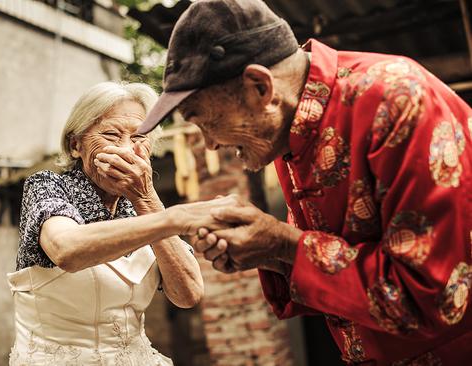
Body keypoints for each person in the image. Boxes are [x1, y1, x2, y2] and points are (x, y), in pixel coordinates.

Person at [137, 0, 472, 364]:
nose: (210, 143)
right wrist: (267, 252)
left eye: (204, 121)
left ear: (259, 88)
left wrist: (283, 243)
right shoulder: (289, 133)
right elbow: (344, 275)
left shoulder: (397, 99)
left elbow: (432, 298)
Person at [7, 81, 235, 366]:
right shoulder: (49, 186)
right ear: (76, 145)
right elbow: (66, 250)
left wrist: (146, 199)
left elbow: (188, 293)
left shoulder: (142, 203)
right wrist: (173, 218)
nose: (127, 150)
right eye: (112, 136)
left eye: (139, 139)